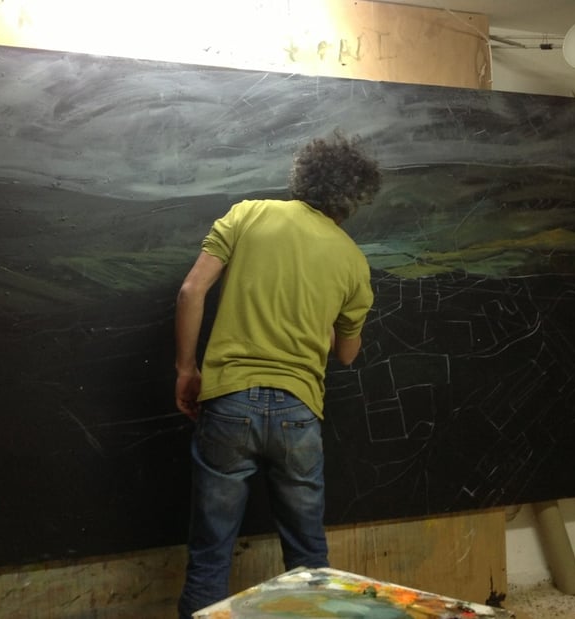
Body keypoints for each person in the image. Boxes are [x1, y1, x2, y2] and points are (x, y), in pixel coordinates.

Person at [174, 131, 381, 618]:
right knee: (309, 558)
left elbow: (190, 292)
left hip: (227, 401)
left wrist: (186, 369)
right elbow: (346, 353)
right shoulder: (352, 259)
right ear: (353, 196)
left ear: (304, 176)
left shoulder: (247, 214)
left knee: (209, 556)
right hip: (299, 412)